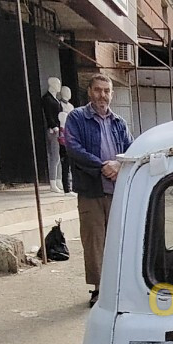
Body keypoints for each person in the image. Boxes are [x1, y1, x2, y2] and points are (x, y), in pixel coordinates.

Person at [64, 74, 132, 306]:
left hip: (117, 190)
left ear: (111, 94)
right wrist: (103, 166)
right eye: (98, 90)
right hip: (91, 190)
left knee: (119, 239)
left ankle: (119, 286)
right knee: (94, 241)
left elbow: (131, 151)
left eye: (106, 91)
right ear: (89, 92)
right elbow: (73, 148)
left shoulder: (119, 123)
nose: (102, 95)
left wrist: (118, 164)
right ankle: (99, 289)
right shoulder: (77, 118)